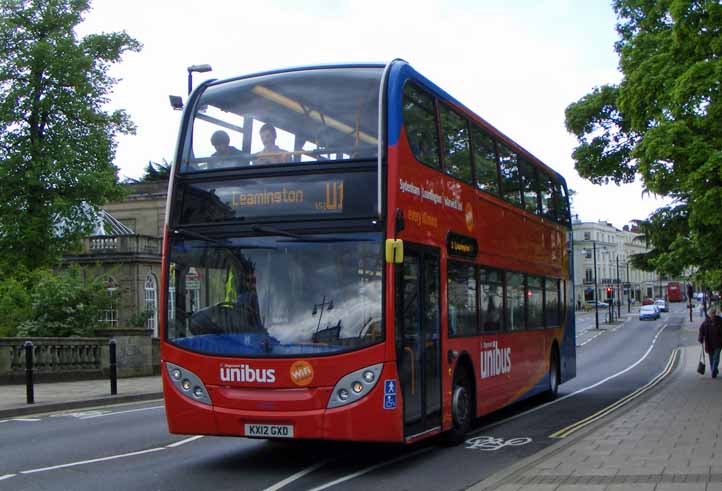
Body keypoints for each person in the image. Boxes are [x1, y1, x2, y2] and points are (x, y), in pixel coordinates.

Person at [698, 307, 722, 378]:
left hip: (718, 343)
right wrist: (701, 338)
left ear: (715, 314)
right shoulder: (706, 322)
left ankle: (714, 371)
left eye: (713, 314)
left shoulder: (720, 321)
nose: (712, 315)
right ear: (709, 314)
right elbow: (701, 330)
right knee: (711, 359)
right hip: (709, 344)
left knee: (716, 358)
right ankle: (714, 370)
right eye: (711, 314)